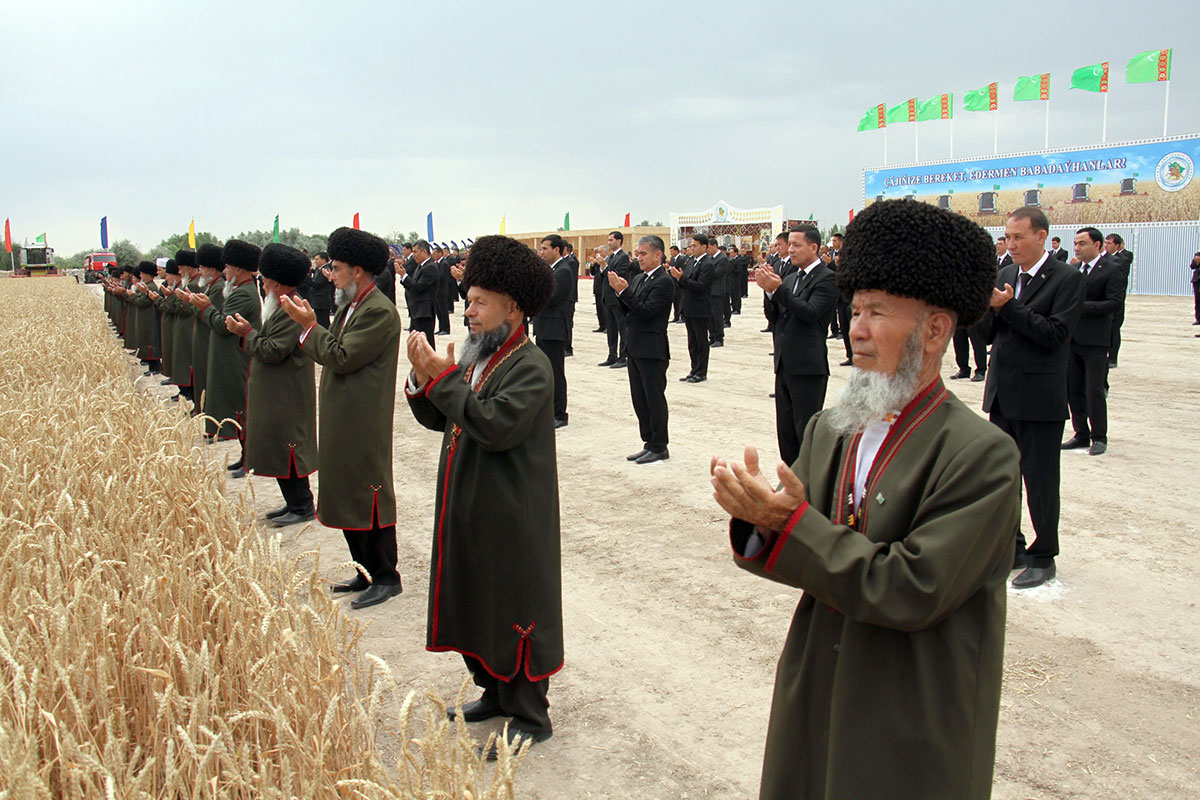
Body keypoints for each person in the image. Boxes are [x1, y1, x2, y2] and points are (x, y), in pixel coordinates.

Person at [711, 198, 1020, 800]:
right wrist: (756, 515)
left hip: (910, 705)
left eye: (878, 311)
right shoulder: (835, 427)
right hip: (819, 679)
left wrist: (789, 522)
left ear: (935, 328)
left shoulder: (981, 454)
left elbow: (912, 588)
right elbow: (792, 538)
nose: (855, 328)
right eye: (855, 310)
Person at [404, 234, 563, 758]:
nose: (466, 311)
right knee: (476, 599)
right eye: (467, 299)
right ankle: (493, 692)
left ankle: (529, 714)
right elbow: (444, 416)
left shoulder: (530, 365)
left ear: (512, 307)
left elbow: (494, 427)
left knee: (513, 603)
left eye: (478, 302)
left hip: (511, 511)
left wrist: (445, 379)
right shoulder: (482, 354)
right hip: (471, 500)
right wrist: (422, 380)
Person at [281, 226, 403, 610]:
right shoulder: (352, 305)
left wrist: (307, 327)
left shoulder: (379, 311)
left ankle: (386, 577)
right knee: (346, 493)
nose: (329, 274)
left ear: (358, 270)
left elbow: (341, 356)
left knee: (368, 494)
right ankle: (364, 570)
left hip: (362, 420)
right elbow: (334, 348)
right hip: (342, 416)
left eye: (335, 268)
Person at [982, 206, 1084, 590]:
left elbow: (1054, 335)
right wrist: (989, 311)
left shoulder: (1066, 279)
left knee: (1040, 480)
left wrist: (1009, 307)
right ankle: (1014, 546)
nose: (1011, 244)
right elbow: (992, 334)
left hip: (1039, 396)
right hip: (1004, 393)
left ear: (1041, 237)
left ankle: (1044, 556)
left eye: (1018, 237)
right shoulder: (1005, 274)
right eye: (1007, 237)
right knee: (1004, 478)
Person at [226, 243, 318, 526]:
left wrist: (246, 333)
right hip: (277, 391)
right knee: (279, 448)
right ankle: (294, 503)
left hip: (287, 393)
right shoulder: (279, 306)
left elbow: (273, 349)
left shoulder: (293, 309)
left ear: (277, 283)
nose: (262, 284)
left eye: (264, 280)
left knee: (289, 449)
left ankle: (302, 505)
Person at [755, 225, 838, 466]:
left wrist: (778, 289)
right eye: (789, 244)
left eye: (796, 245)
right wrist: (769, 292)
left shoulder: (827, 278)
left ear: (813, 247)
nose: (790, 250)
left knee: (806, 431)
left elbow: (810, 313)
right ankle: (791, 480)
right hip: (784, 365)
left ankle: (809, 487)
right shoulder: (790, 277)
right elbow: (775, 317)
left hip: (808, 367)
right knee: (786, 433)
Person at [189, 240, 263, 473]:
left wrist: (206, 308)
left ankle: (250, 458)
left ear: (239, 269)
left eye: (228, 266)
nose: (224, 271)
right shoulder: (241, 291)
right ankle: (245, 457)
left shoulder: (243, 294)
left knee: (240, 408)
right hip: (231, 356)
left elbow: (224, 325)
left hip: (236, 358)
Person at [612, 234, 674, 463]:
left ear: (658, 254)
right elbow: (629, 311)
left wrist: (623, 292)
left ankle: (660, 445)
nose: (639, 258)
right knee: (639, 398)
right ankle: (648, 441)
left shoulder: (664, 282)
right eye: (637, 254)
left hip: (652, 348)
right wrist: (620, 293)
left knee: (654, 398)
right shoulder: (639, 279)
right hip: (635, 346)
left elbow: (647, 311)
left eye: (643, 254)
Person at [1062, 227, 1122, 456]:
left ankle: (1099, 436)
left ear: (1097, 245)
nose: (1076, 247)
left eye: (1082, 243)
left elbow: (1114, 303)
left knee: (1093, 389)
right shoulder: (1074, 270)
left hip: (1095, 341)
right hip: (1072, 338)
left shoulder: (1112, 270)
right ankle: (1081, 433)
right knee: (1073, 388)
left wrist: (1081, 307)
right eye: (1075, 243)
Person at [533, 234, 574, 428]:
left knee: (555, 373)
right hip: (543, 327)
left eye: (545, 249)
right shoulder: (551, 269)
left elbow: (551, 297)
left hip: (554, 328)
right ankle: (548, 410)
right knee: (544, 372)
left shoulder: (563, 271)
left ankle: (559, 414)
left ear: (556, 250)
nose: (541, 252)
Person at [187, 244, 225, 421]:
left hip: (209, 338)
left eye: (202, 268)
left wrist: (194, 303)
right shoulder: (211, 286)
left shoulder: (218, 288)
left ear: (211, 269)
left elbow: (212, 314)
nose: (199, 271)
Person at [670, 233, 713, 383]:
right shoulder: (691, 262)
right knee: (692, 342)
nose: (692, 248)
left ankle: (701, 372)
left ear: (704, 247)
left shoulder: (707, 264)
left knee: (701, 341)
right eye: (691, 246)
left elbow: (701, 286)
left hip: (699, 308)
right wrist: (679, 278)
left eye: (694, 246)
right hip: (688, 307)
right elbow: (685, 283)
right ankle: (694, 369)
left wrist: (681, 278)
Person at [169, 249, 201, 403]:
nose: (179, 272)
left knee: (189, 363)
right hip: (184, 328)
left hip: (190, 329)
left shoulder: (194, 285)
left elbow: (184, 308)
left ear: (188, 268)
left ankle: (192, 395)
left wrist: (178, 298)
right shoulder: (190, 283)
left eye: (181, 268)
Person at [398, 240, 440, 347]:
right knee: (417, 343)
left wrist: (404, 276)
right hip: (417, 310)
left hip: (424, 311)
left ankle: (429, 364)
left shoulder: (430, 267)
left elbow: (417, 288)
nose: (414, 255)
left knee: (426, 344)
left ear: (424, 252)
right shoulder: (421, 266)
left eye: (416, 252)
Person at [598, 232, 631, 367]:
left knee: (622, 328)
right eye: (608, 240)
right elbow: (604, 276)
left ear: (619, 241)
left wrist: (605, 267)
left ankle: (623, 356)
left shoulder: (622, 257)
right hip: (608, 297)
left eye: (611, 240)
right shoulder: (610, 257)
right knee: (611, 329)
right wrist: (601, 267)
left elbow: (616, 275)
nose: (609, 242)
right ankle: (612, 355)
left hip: (618, 299)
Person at [1102, 233, 1132, 368]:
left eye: (1109, 243)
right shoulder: (1105, 259)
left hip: (1116, 301)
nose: (1106, 245)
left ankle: (1113, 358)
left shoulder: (1123, 259)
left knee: (1114, 330)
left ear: (1117, 245)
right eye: (1105, 243)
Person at [304, 251, 336, 328]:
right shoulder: (319, 269)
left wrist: (307, 278)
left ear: (323, 260)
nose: (315, 261)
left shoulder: (326, 269)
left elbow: (318, 284)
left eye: (317, 259)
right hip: (318, 301)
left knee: (323, 322)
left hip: (323, 300)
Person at [707, 238, 729, 346]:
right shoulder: (710, 258)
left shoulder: (722, 258)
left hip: (717, 291)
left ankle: (719, 338)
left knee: (717, 315)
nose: (708, 250)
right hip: (709, 291)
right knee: (710, 316)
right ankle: (712, 336)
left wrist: (706, 271)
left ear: (715, 246)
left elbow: (716, 274)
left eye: (709, 247)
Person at [1191, 252, 1200, 327]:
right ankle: (1198, 319)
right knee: (1198, 300)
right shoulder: (1197, 255)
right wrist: (1197, 262)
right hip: (1197, 281)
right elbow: (1192, 266)